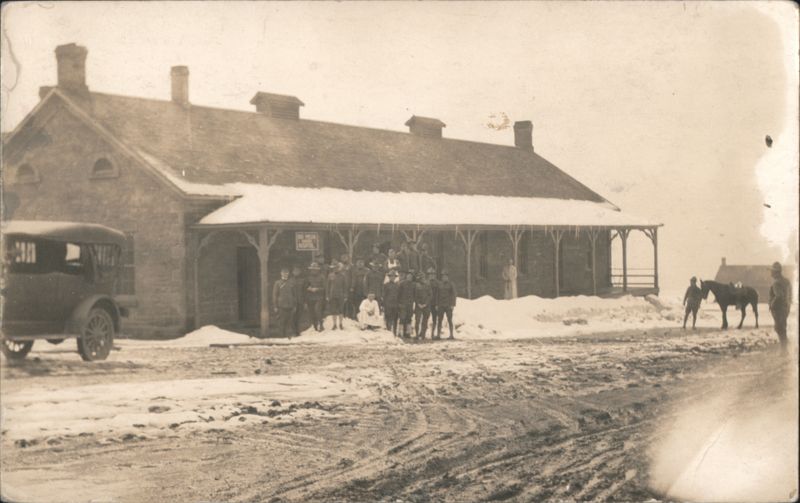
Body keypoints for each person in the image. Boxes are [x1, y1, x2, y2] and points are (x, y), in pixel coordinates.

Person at [768, 262, 792, 353]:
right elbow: (790, 294)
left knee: (779, 328)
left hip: (778, 309)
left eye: (772, 271)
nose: (770, 273)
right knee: (782, 327)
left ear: (776, 272)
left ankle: (784, 350)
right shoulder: (787, 281)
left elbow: (778, 296)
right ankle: (785, 348)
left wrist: (772, 304)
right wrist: (788, 303)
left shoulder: (776, 283)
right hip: (786, 307)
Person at [272, 267, 298, 338]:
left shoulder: (291, 283)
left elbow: (294, 295)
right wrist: (275, 306)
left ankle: (288, 336)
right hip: (281, 305)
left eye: (286, 273)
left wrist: (295, 305)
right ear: (281, 274)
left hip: (290, 305)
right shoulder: (278, 283)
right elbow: (275, 295)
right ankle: (281, 336)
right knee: (282, 321)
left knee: (289, 321)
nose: (285, 275)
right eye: (283, 273)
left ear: (288, 274)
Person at [435, 269, 457, 339]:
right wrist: (436, 304)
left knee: (449, 320)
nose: (444, 278)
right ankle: (438, 335)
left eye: (445, 276)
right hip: (441, 305)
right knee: (439, 320)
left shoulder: (451, 284)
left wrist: (453, 305)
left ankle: (451, 335)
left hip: (448, 305)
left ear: (448, 277)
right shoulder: (439, 284)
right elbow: (437, 295)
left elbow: (454, 295)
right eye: (443, 276)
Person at [327, 261, 348, 330]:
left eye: (336, 268)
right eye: (334, 268)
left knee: (340, 310)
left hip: (340, 295)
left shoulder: (343, 276)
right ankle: (334, 324)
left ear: (339, 268)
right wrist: (327, 295)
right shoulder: (330, 275)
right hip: (332, 295)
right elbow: (328, 286)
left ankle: (341, 324)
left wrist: (345, 296)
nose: (335, 269)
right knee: (333, 311)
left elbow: (345, 286)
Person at [305, 262, 326, 331]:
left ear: (318, 270)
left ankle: (321, 324)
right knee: (312, 312)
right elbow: (305, 286)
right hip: (310, 297)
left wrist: (317, 289)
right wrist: (309, 288)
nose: (313, 271)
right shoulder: (308, 277)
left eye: (315, 269)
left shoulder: (322, 277)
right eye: (312, 269)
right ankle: (315, 326)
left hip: (319, 297)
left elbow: (324, 288)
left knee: (317, 310)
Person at [414, 271, 433, 339]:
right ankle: (416, 334)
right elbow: (415, 295)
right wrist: (418, 303)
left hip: (426, 306)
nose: (421, 279)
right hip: (418, 305)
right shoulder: (416, 285)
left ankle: (423, 334)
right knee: (417, 320)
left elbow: (430, 295)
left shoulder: (428, 285)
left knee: (425, 321)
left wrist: (426, 303)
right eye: (420, 278)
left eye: (422, 277)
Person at [398, 271, 416, 338]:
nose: (409, 277)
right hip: (403, 304)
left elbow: (414, 294)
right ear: (406, 276)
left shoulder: (413, 285)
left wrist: (413, 302)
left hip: (410, 304)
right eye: (408, 276)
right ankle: (400, 332)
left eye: (411, 277)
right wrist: (399, 303)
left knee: (409, 318)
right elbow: (398, 294)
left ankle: (407, 333)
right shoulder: (402, 284)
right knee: (402, 318)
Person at [383, 270, 401, 336]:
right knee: (388, 319)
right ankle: (388, 333)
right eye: (391, 276)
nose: (392, 278)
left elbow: (399, 295)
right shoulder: (386, 285)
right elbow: (384, 295)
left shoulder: (397, 285)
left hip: (395, 305)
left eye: (393, 276)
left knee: (395, 319)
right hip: (388, 304)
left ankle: (394, 333)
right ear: (389, 277)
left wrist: (398, 304)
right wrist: (384, 304)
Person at [291, 265, 305, 336]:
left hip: (300, 301)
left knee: (299, 316)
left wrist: (304, 302)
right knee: (293, 317)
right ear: (293, 272)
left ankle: (298, 331)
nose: (296, 272)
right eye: (295, 271)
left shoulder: (302, 281)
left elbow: (304, 291)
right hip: (293, 302)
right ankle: (293, 331)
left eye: (298, 271)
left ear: (300, 272)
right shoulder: (290, 281)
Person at [427, 267, 440, 339]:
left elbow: (439, 293)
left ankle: (433, 333)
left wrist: (437, 304)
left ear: (435, 275)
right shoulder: (426, 282)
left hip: (435, 303)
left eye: (433, 274)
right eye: (430, 274)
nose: (431, 276)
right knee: (425, 318)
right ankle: (422, 333)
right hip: (427, 303)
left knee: (435, 319)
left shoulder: (438, 283)